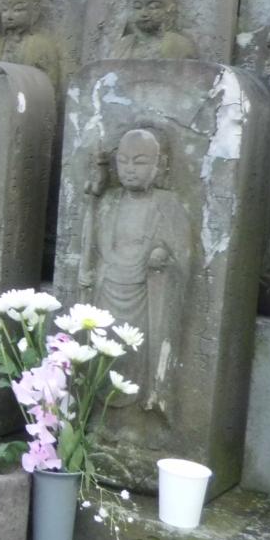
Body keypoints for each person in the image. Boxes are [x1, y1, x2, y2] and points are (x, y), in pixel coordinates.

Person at [79, 127, 191, 418]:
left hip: (143, 294)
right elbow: (92, 243)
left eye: (140, 162)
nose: (129, 169)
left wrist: (163, 257)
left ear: (159, 166)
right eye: (123, 161)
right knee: (103, 350)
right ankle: (99, 411)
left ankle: (146, 402)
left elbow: (184, 256)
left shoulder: (167, 205)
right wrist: (94, 195)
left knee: (136, 351)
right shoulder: (109, 200)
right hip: (108, 290)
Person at [112, 0, 198, 61]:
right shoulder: (124, 45)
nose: (144, 13)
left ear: (171, 9)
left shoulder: (178, 44)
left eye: (153, 7)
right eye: (138, 7)